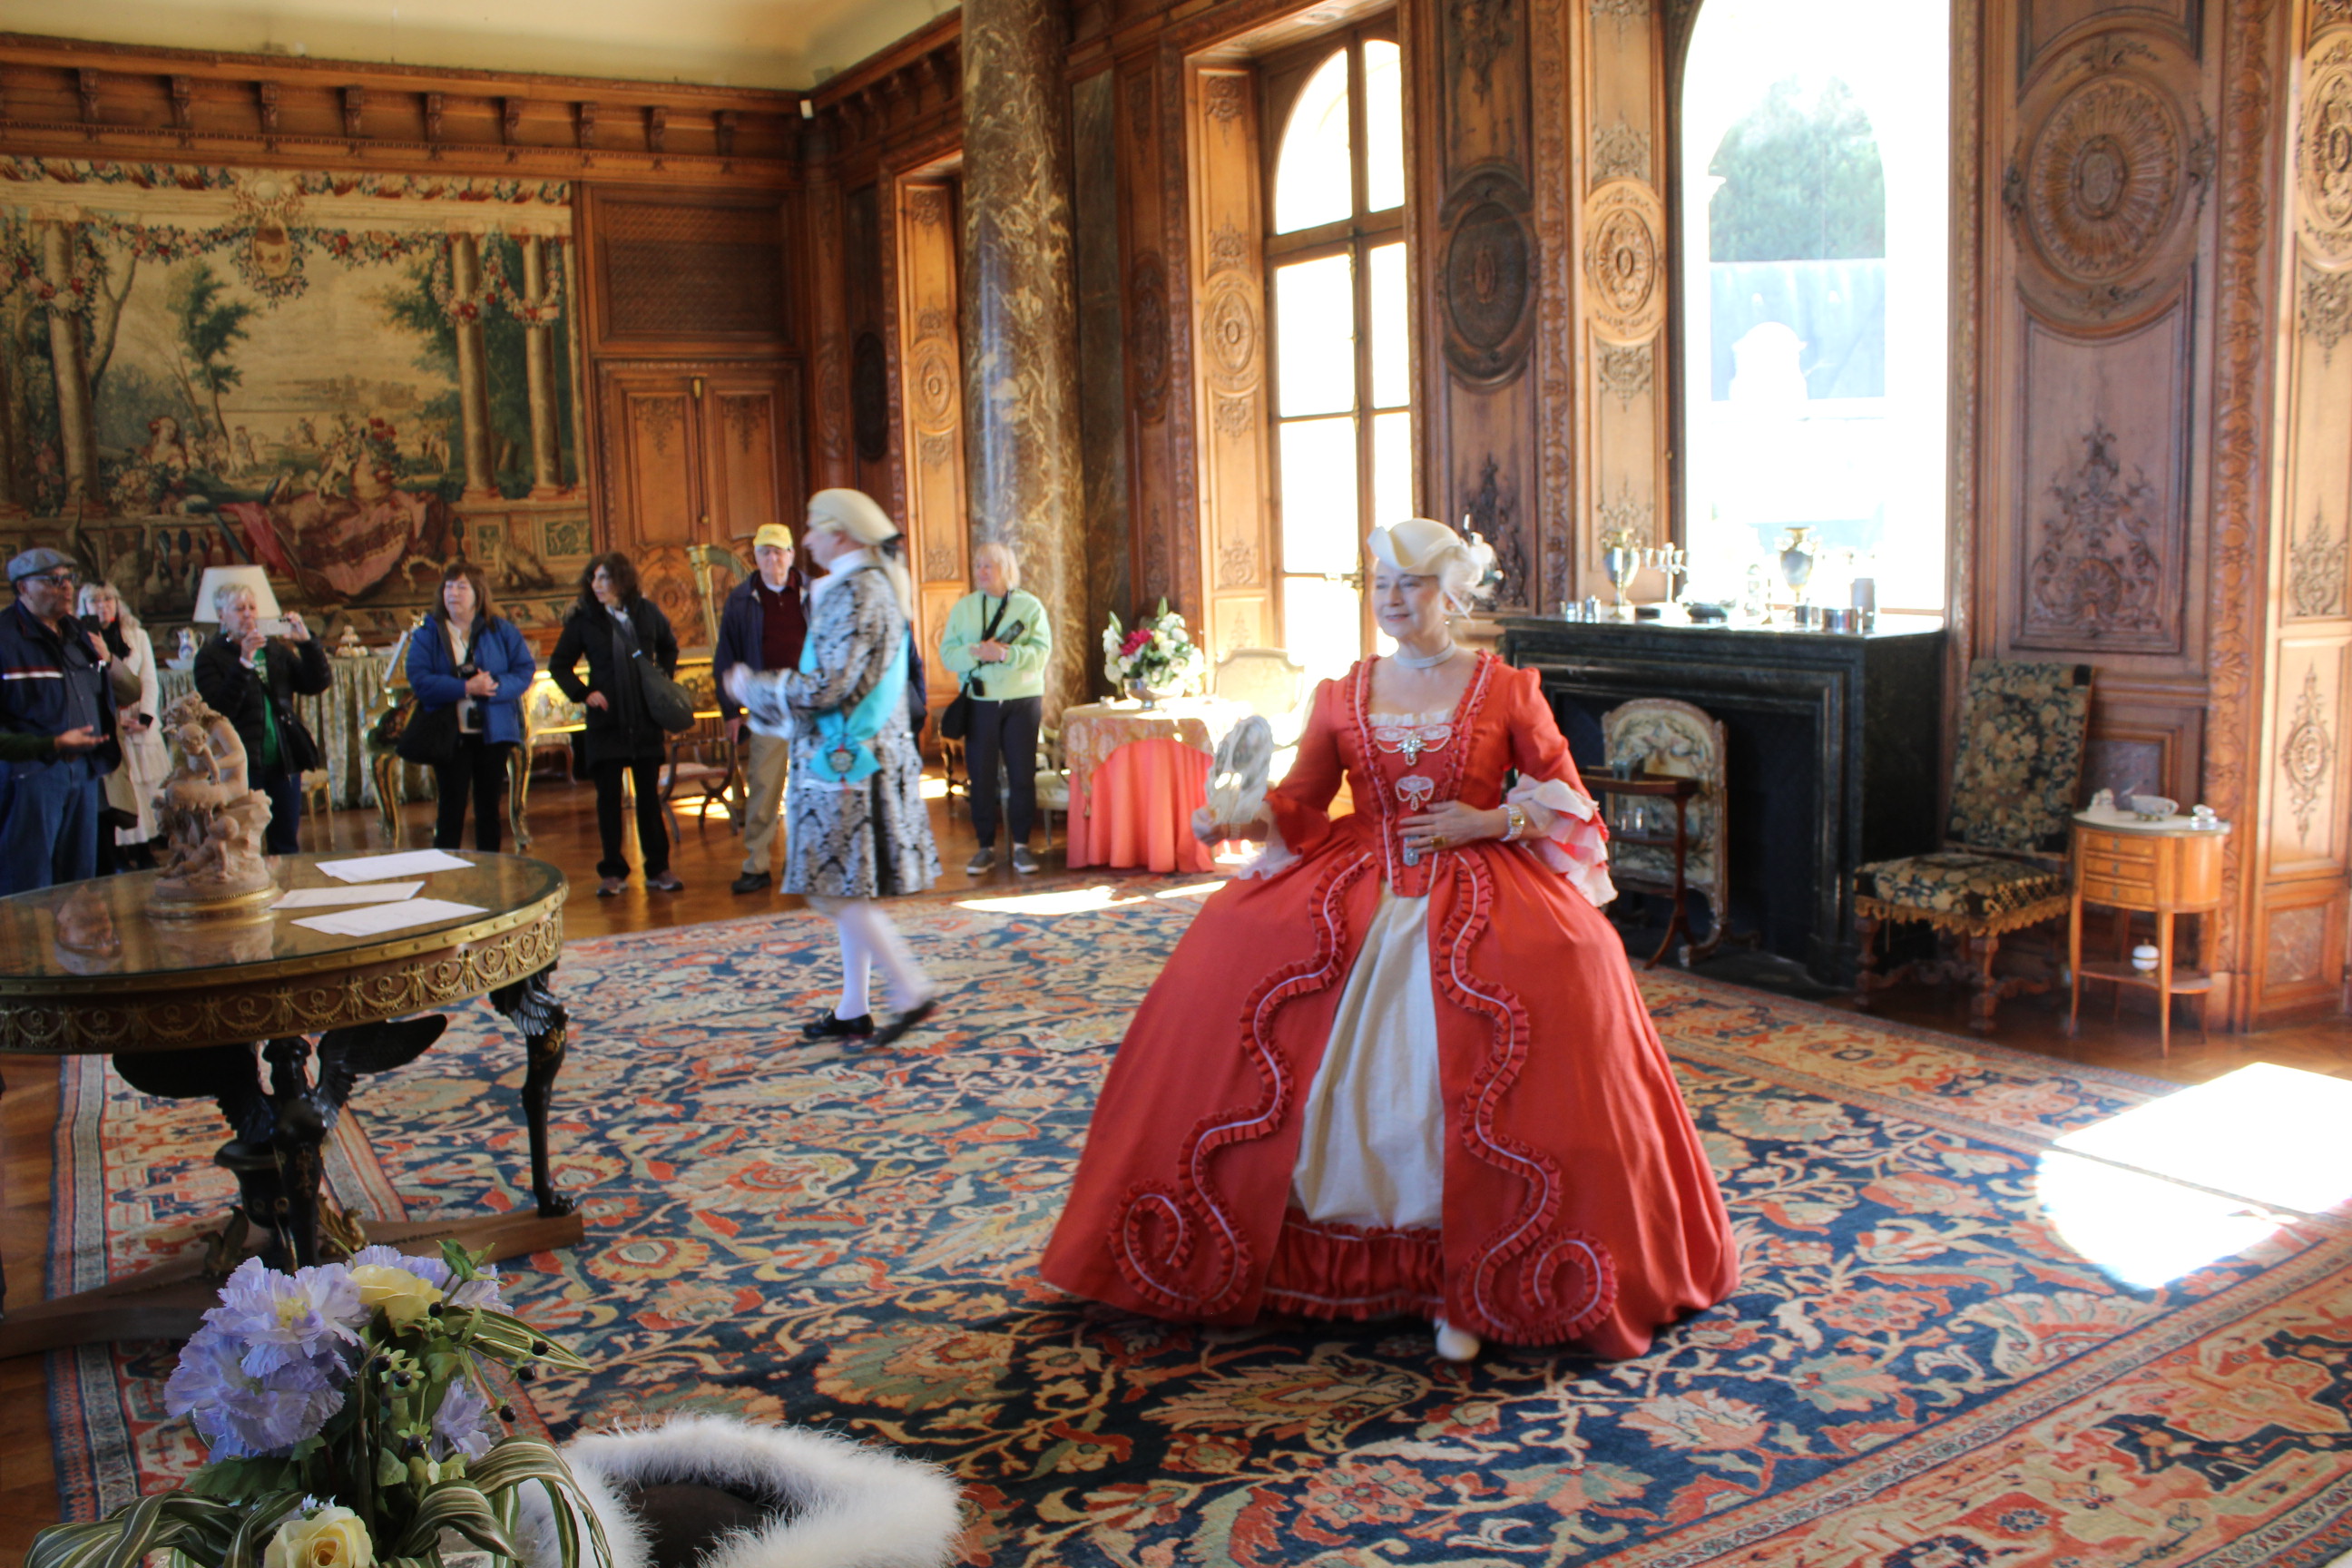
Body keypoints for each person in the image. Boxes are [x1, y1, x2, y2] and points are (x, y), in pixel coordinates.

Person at [1041, 517, 1738, 1362]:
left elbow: (1568, 797)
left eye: (1411, 584)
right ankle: (1301, 1259)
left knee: (1567, 965)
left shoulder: (1506, 689)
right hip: (1357, 882)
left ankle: (1469, 1284)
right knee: (1233, 952)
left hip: (1480, 881)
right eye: (1382, 585)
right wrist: (1242, 817)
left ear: (1452, 593)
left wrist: (1490, 819)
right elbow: (1303, 803)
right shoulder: (1342, 692)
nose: (1394, 600)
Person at [724, 488, 941, 1046]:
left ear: (840, 533)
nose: (806, 540)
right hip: (852, 755)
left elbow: (828, 684)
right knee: (845, 887)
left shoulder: (855, 589)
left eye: (814, 528)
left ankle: (911, 990)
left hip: (848, 763)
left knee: (837, 890)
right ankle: (853, 1008)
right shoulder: (862, 583)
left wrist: (753, 686)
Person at [550, 553, 682, 897]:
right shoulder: (584, 619)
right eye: (593, 578)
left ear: (622, 580)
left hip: (644, 720)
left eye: (605, 578)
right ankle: (612, 872)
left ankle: (659, 869)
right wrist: (585, 693)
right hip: (607, 722)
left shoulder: (647, 612)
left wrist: (662, 679)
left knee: (649, 800)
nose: (597, 585)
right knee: (608, 801)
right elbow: (559, 665)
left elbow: (669, 646)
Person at [0, 550, 118, 894]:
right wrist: (50, 744)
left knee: (79, 882)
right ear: (23, 588)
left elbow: (122, 692)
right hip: (30, 776)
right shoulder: (5, 639)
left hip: (83, 771)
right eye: (53, 580)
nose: (66, 587)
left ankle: (74, 931)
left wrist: (110, 661)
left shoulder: (78, 633)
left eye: (69, 579)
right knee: (27, 885)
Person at [937, 542, 1053, 876]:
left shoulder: (1029, 606)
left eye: (989, 565)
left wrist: (1005, 655)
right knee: (982, 776)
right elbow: (948, 654)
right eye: (978, 565)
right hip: (980, 702)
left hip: (1023, 701)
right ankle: (984, 847)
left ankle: (1022, 846)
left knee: (1022, 775)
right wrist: (977, 652)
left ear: (1007, 569)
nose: (982, 571)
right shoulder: (964, 608)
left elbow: (1041, 654)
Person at [407, 562, 535, 853]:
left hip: (493, 731)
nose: (453, 593)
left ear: (478, 592)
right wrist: (465, 688)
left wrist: (493, 687)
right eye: (449, 586)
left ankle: (489, 869)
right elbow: (420, 679)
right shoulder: (429, 633)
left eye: (462, 587)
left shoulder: (500, 629)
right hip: (450, 733)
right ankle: (446, 871)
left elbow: (524, 670)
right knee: (450, 807)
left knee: (488, 808)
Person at [192, 579, 328, 856]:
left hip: (283, 759)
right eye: (239, 608)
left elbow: (315, 683)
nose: (248, 614)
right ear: (221, 615)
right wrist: (244, 660)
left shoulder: (275, 650)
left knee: (286, 843)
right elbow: (220, 710)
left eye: (252, 608)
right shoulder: (210, 657)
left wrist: (307, 644)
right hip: (240, 764)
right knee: (241, 844)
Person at [714, 523, 809, 895]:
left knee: (807, 787)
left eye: (778, 551)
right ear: (755, 557)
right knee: (765, 785)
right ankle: (756, 864)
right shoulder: (741, 600)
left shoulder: (812, 593)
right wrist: (730, 712)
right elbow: (726, 656)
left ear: (791, 555)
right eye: (765, 552)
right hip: (765, 702)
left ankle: (801, 862)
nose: (772, 559)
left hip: (807, 700)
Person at [80, 581, 169, 866]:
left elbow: (149, 679)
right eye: (95, 601)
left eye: (108, 600)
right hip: (109, 723)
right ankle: (118, 854)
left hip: (137, 720)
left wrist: (145, 716)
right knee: (118, 791)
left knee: (145, 790)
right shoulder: (81, 638)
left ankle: (145, 850)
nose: (102, 606)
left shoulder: (136, 635)